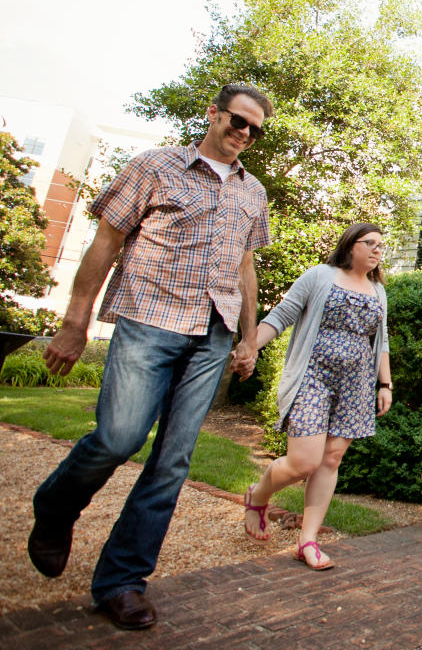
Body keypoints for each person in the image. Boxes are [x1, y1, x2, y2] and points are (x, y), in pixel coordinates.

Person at [28, 83, 272, 630]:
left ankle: (122, 581)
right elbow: (105, 243)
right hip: (150, 320)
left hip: (213, 333)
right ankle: (57, 505)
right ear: (213, 114)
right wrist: (74, 322)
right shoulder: (155, 167)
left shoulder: (253, 192)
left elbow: (245, 267)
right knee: (118, 438)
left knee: (172, 464)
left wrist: (248, 338)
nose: (244, 133)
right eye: (238, 120)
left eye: (255, 130)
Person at [237, 222, 393, 570]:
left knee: (331, 460)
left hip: (356, 383)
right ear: (350, 244)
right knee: (303, 462)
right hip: (313, 377)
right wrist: (249, 348)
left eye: (381, 245)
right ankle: (258, 495)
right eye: (370, 242)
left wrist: (385, 385)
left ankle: (308, 540)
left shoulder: (378, 291)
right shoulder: (319, 276)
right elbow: (280, 317)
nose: (377, 249)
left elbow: (381, 342)